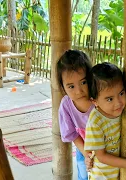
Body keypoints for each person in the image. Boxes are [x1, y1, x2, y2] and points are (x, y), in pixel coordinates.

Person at [84, 62, 126, 180]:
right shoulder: (96, 122)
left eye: (121, 93)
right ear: (95, 102)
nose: (118, 102)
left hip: (118, 174)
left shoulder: (124, 110)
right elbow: (101, 156)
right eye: (109, 99)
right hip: (102, 177)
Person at [56, 50, 94, 180]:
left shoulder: (99, 99)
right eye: (71, 86)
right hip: (83, 147)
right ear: (63, 87)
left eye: (83, 82)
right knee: (84, 176)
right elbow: (72, 134)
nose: (78, 91)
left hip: (107, 146)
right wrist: (86, 153)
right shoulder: (66, 105)